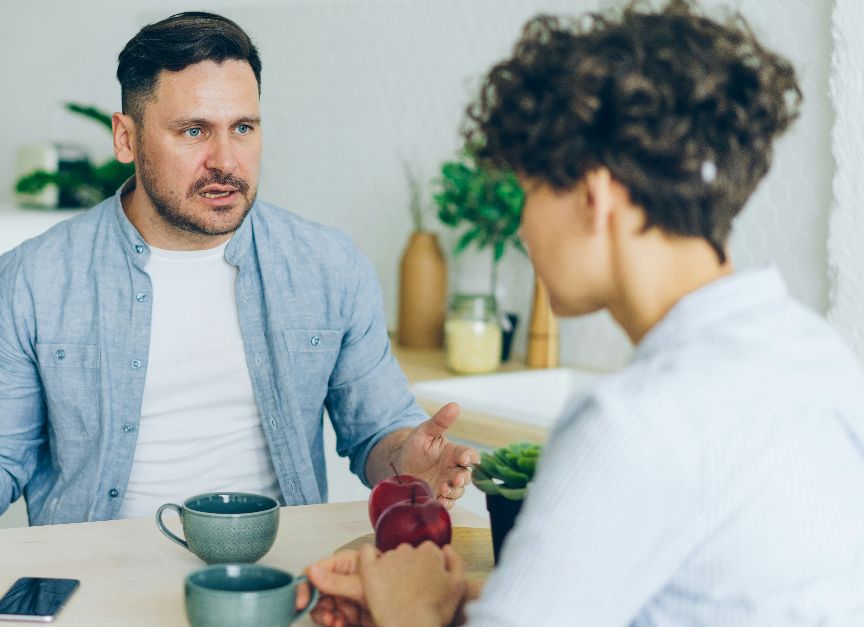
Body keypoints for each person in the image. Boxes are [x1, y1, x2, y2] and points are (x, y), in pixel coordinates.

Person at [0, 12, 479, 540]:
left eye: (245, 128)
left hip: (276, 580)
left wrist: (408, 455)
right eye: (194, 131)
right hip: (91, 580)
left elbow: (376, 434)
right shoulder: (37, 279)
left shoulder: (328, 266)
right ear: (126, 137)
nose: (226, 160)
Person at [304, 1, 864, 625]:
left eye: (530, 190)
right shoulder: (819, 356)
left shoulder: (633, 423)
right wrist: (452, 605)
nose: (521, 226)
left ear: (593, 198)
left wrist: (407, 609)